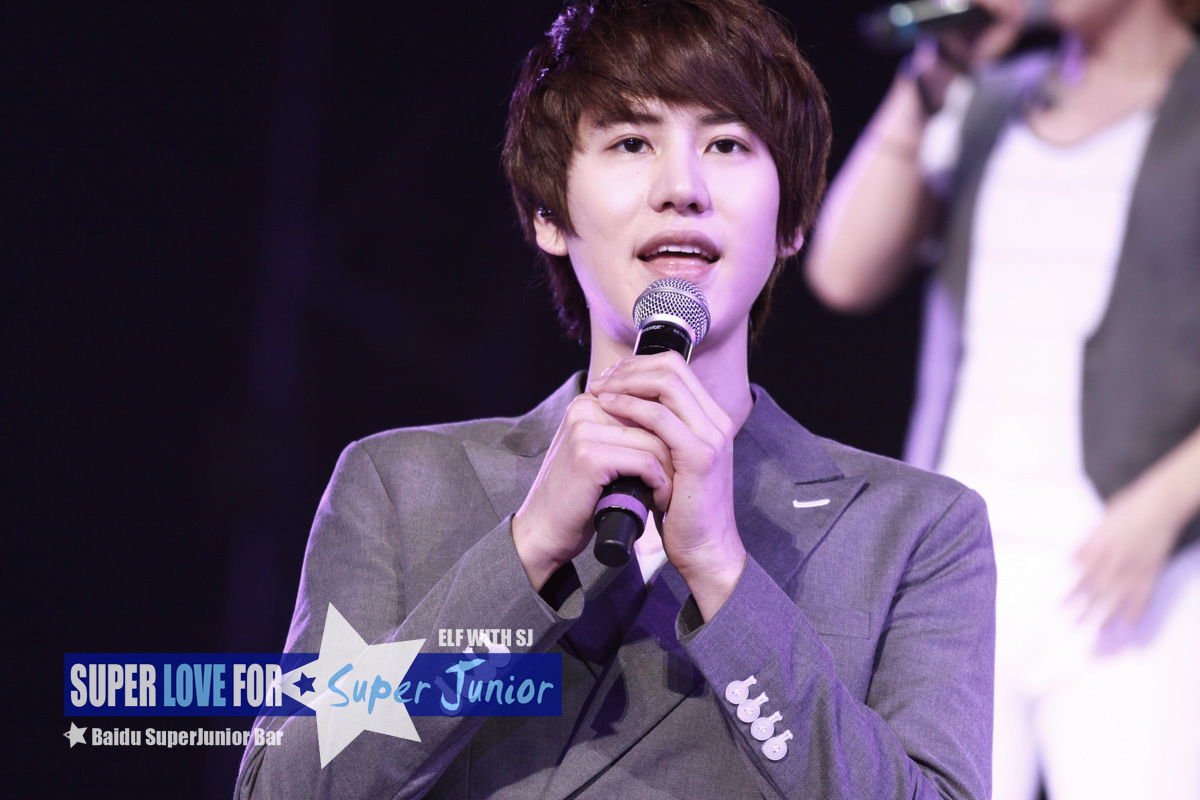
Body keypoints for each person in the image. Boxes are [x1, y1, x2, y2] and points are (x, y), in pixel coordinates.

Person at [234, 1, 995, 797]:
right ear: (549, 213)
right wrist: (526, 551)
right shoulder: (399, 486)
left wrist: (724, 575)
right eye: (632, 142)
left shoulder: (916, 530)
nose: (682, 188)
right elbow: (285, 789)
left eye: (727, 145)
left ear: (791, 220)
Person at [806, 0, 1200, 798]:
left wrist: (1168, 499)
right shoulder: (988, 101)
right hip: (963, 566)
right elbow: (842, 271)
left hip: (1129, 574)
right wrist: (936, 72)